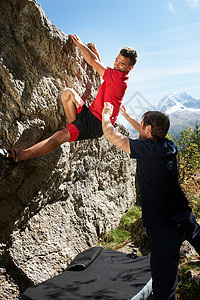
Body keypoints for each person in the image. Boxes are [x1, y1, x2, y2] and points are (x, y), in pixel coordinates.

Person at [102, 102, 200, 300]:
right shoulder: (168, 145)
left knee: (164, 287)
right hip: (185, 217)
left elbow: (111, 135)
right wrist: (128, 118)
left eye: (141, 123)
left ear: (148, 129)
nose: (139, 126)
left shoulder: (147, 151)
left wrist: (105, 116)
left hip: (164, 229)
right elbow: (147, 132)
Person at [0, 35, 137, 164]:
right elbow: (101, 68)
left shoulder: (118, 78)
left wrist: (79, 43)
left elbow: (92, 62)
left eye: (121, 64)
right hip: (91, 114)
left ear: (130, 68)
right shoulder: (117, 75)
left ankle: (18, 156)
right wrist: (96, 53)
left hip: (97, 123)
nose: (116, 64)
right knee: (68, 94)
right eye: (116, 60)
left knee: (59, 136)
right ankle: (74, 129)